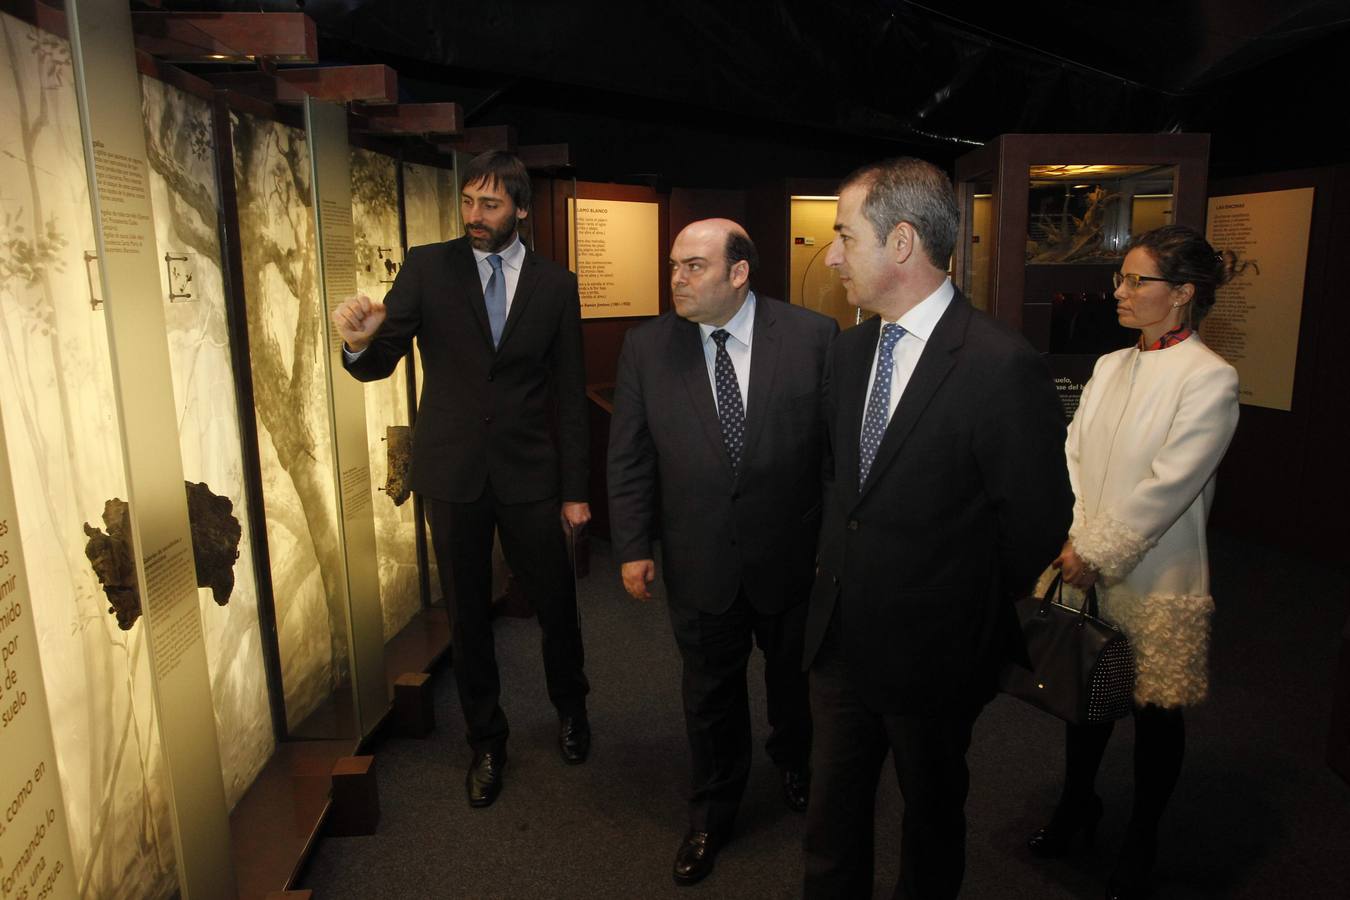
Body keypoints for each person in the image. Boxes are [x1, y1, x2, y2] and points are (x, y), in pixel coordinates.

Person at [802, 157, 1073, 899]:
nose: (831, 256)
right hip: (838, 645)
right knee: (831, 825)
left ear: (900, 242)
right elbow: (841, 488)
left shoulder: (1000, 365)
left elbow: (1035, 524)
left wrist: (963, 622)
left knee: (929, 826)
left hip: (936, 657)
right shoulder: (850, 351)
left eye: (842, 236)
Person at [332, 151, 591, 809]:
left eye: (491, 205)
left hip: (530, 471)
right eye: (468, 203)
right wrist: (361, 342)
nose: (475, 217)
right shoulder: (427, 267)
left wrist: (575, 489)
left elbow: (568, 391)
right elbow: (380, 360)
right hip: (451, 473)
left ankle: (571, 707)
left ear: (521, 210)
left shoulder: (556, 286)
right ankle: (486, 737)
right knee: (467, 612)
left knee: (555, 602)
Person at [607, 219, 837, 885]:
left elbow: (832, 459)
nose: (676, 278)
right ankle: (711, 811)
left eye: (694, 267)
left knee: (794, 679)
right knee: (708, 694)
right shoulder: (647, 347)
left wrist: (831, 549)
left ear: (739, 273)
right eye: (675, 265)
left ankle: (796, 762)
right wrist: (631, 546)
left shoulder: (812, 338)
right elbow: (629, 457)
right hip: (699, 557)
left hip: (792, 556)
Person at [1029, 224, 1240, 900]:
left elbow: (1171, 483)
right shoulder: (1111, 365)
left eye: (1134, 280)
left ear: (1180, 293)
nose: (1118, 290)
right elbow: (1076, 455)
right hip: (1084, 556)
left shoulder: (1210, 378)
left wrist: (1096, 551)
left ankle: (1141, 840)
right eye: (1121, 278)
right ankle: (1076, 804)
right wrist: (1078, 537)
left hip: (1156, 570)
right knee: (1085, 696)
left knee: (1154, 712)